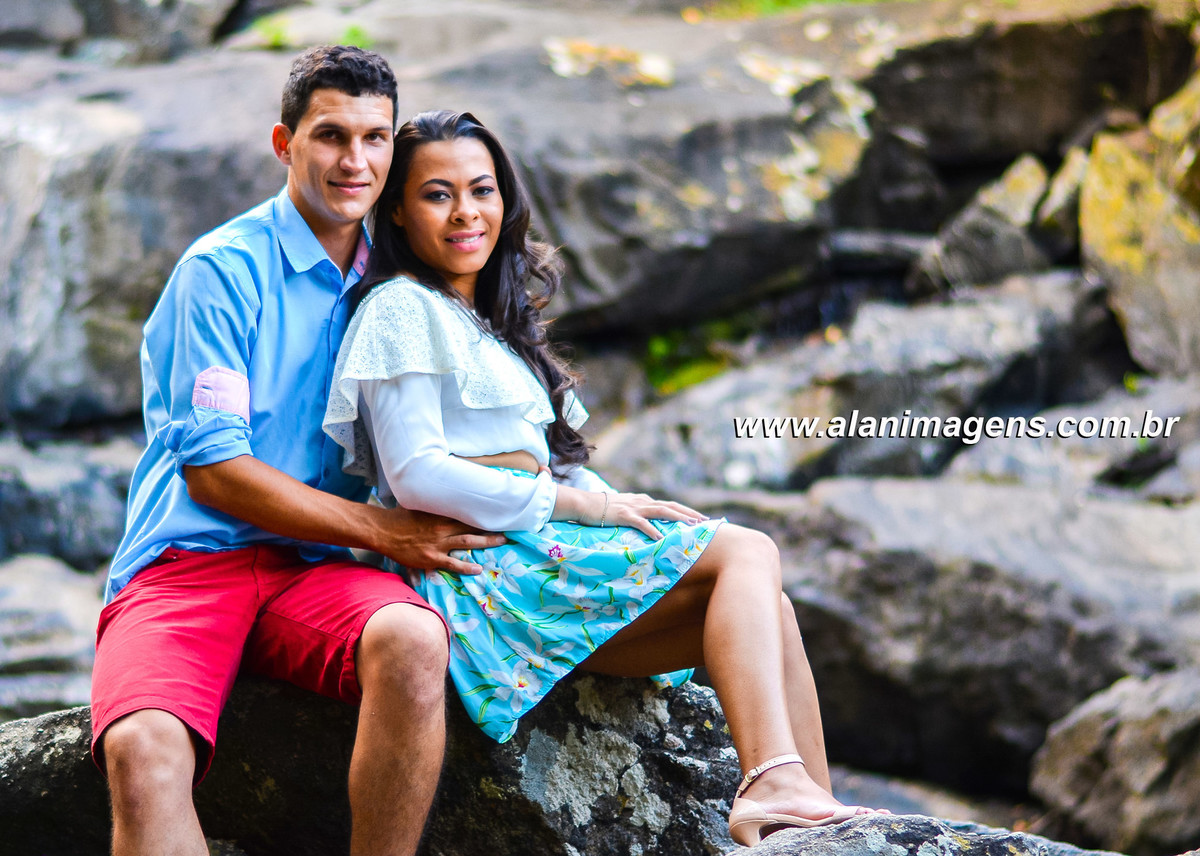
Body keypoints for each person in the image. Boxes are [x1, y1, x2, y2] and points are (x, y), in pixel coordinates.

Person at [323, 109, 886, 847]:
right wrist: (578, 505)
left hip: (531, 564)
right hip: (486, 577)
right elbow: (416, 474)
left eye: (482, 189)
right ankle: (768, 781)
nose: (467, 212)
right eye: (437, 194)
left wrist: (611, 501)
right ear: (396, 208)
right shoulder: (400, 307)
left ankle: (808, 816)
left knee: (766, 605)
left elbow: (528, 458)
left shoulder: (484, 316)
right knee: (746, 550)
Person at [91, 49, 505, 856]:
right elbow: (213, 471)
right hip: (189, 561)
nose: (356, 161)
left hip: (320, 572)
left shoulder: (401, 278)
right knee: (141, 750)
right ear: (285, 144)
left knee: (415, 640)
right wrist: (385, 530)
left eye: (376, 138)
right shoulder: (222, 270)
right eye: (331, 137)